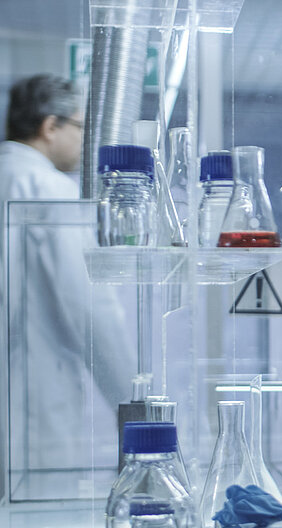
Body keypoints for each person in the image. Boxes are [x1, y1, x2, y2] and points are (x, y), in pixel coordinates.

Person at [1, 74, 135, 472]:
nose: (82, 139)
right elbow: (88, 304)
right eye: (79, 126)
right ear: (49, 127)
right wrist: (131, 403)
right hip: (33, 406)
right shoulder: (48, 189)